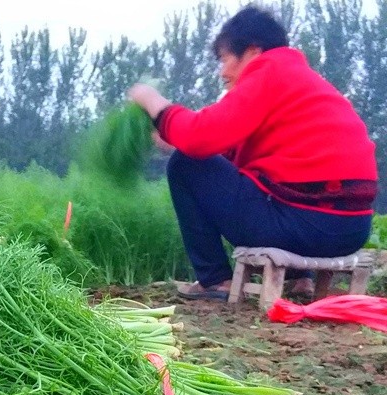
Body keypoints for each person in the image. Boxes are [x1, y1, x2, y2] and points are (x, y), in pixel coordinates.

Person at [128, 5, 377, 300]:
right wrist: (176, 136)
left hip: (308, 227)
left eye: (224, 59)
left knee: (185, 165)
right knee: (276, 181)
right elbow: (236, 153)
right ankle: (301, 279)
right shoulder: (303, 82)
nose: (223, 72)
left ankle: (214, 279)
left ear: (252, 51)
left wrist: (153, 102)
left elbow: (201, 138)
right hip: (352, 230)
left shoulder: (269, 71)